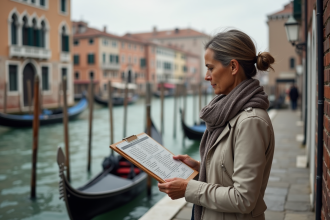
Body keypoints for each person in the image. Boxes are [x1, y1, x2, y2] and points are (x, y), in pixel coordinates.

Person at [158, 29, 275, 220]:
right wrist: (198, 167)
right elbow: (228, 172)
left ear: (233, 67)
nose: (206, 76)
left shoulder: (251, 122)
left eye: (211, 68)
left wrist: (188, 188)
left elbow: (244, 198)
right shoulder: (226, 113)